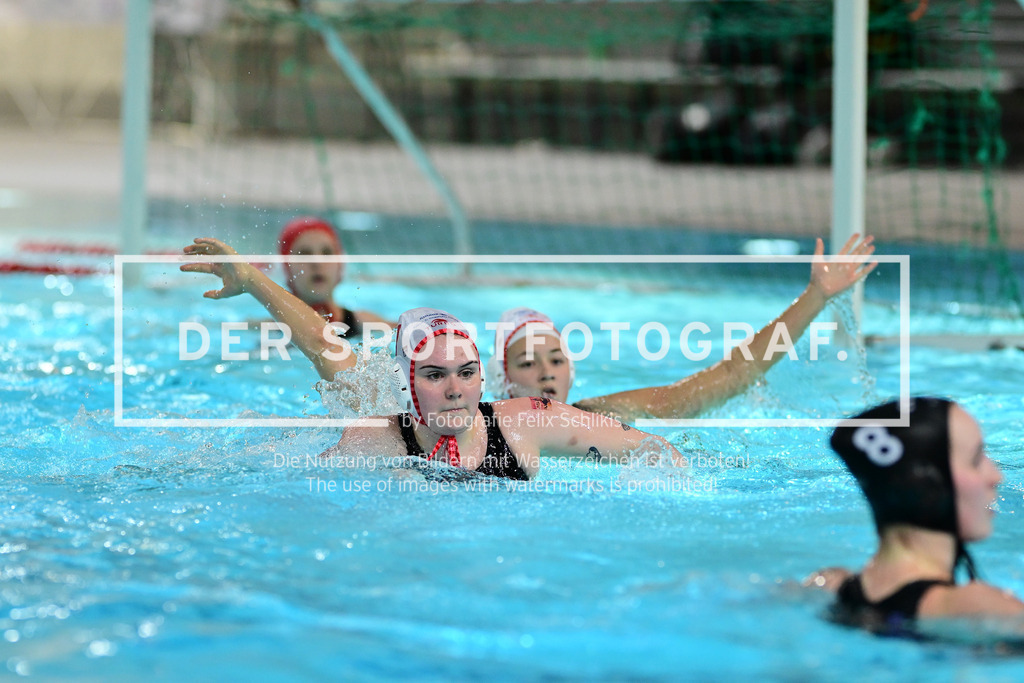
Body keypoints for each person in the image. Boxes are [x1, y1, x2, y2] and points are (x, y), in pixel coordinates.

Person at [488, 234, 877, 422]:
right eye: (527, 363)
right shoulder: (487, 430)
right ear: (503, 379)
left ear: (570, 371)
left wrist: (815, 295)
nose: (545, 372)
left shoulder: (602, 415)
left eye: (556, 360)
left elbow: (734, 374)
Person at [329, 307, 686, 479]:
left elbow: (657, 451)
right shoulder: (374, 440)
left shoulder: (528, 421)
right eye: (435, 375)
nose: (456, 391)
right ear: (403, 385)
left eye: (467, 373)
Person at [805, 397, 1023, 630]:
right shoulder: (982, 610)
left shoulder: (828, 587)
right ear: (929, 487)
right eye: (976, 459)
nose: (996, 476)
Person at [276, 216, 392, 335]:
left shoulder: (365, 324)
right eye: (305, 254)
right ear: (286, 268)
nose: (317, 262)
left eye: (326, 253)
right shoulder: (273, 329)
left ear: (339, 266)